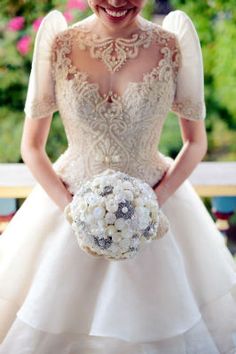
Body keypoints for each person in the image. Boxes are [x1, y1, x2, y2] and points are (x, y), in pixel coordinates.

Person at [0, 0, 236, 352]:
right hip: (68, 206)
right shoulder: (59, 43)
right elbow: (31, 148)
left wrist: (151, 203)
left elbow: (195, 142)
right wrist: (73, 210)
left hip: (156, 208)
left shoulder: (172, 44)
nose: (115, 2)